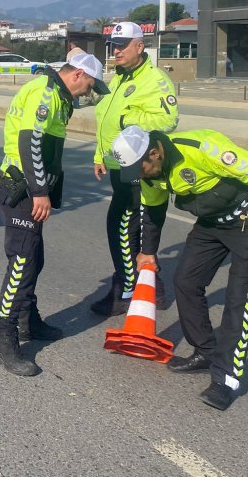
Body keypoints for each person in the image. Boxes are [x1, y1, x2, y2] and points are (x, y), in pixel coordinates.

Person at [110, 125, 248, 411]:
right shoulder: (150, 173)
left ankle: (227, 380)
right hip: (211, 223)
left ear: (155, 153)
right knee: (185, 281)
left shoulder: (202, 147)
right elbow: (153, 211)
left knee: (238, 298)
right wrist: (147, 252)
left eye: (140, 168)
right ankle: (205, 351)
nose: (140, 176)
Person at [0, 53, 111, 377]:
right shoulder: (46, 94)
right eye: (89, 85)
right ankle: (5, 337)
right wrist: (40, 192)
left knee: (34, 258)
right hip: (21, 190)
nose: (89, 93)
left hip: (29, 188)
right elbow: (30, 143)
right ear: (77, 75)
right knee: (22, 262)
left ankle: (29, 321)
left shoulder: (56, 94)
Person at [91, 21, 179, 316]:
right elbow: (104, 116)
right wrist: (99, 154)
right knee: (125, 227)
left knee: (126, 227)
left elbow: (168, 121)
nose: (115, 51)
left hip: (139, 165)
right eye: (113, 46)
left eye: (122, 45)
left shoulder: (154, 80)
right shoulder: (118, 77)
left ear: (140, 46)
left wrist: (130, 118)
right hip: (118, 162)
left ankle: (130, 290)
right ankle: (141, 288)